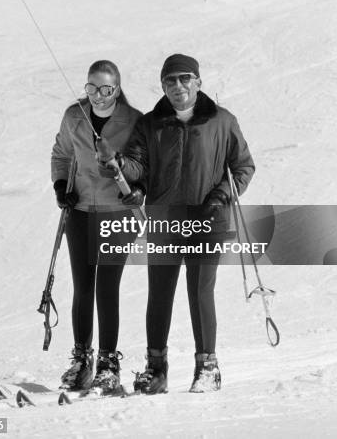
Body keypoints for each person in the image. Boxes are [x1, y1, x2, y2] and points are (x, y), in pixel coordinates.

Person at [98, 54, 255, 394]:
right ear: (163, 86)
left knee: (200, 292)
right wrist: (120, 165)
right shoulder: (152, 124)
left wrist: (222, 195)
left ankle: (207, 368)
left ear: (198, 82)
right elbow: (139, 167)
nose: (178, 86)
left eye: (185, 78)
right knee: (159, 294)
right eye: (170, 80)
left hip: (207, 219)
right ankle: (156, 370)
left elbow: (243, 167)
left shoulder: (221, 121)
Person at [51, 60, 142, 395]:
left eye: (106, 89)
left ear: (116, 89)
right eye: (92, 88)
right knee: (82, 286)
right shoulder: (74, 115)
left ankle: (108, 363)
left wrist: (134, 185)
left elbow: (142, 167)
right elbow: (61, 154)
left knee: (107, 286)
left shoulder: (134, 121)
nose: (98, 96)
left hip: (117, 212)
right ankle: (81, 359)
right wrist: (62, 186)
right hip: (81, 211)